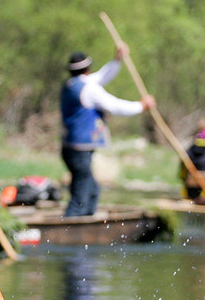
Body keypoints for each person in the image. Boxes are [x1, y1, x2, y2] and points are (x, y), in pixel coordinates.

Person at [60, 45, 153, 217]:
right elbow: (114, 106)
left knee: (91, 189)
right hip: (79, 149)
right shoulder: (88, 88)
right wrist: (141, 106)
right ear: (87, 68)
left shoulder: (71, 85)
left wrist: (117, 60)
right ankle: (71, 224)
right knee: (82, 192)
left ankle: (85, 221)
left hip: (70, 148)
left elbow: (102, 77)